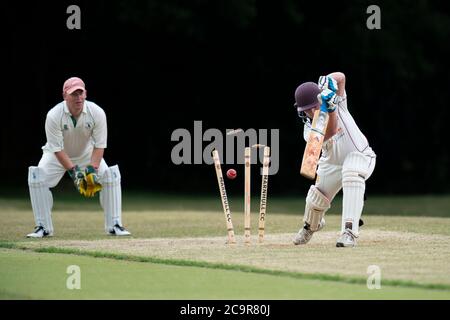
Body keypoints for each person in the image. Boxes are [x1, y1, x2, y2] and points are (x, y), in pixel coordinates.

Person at [26, 77, 131, 238]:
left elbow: (99, 145)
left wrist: (91, 170)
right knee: (37, 176)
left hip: (86, 154)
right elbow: (57, 149)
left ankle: (115, 224)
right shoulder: (54, 115)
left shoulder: (97, 112)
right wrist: (75, 173)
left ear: (85, 93)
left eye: (80, 93)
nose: (78, 98)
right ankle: (43, 227)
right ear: (64, 96)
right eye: (74, 94)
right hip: (56, 156)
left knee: (111, 175)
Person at [293, 72, 376, 247]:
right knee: (316, 198)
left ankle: (349, 233)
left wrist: (328, 80)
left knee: (351, 171)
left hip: (360, 156)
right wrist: (329, 109)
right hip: (331, 163)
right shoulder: (309, 129)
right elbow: (329, 132)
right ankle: (310, 226)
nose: (311, 112)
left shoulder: (337, 101)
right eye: (306, 110)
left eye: (312, 107)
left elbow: (342, 77)